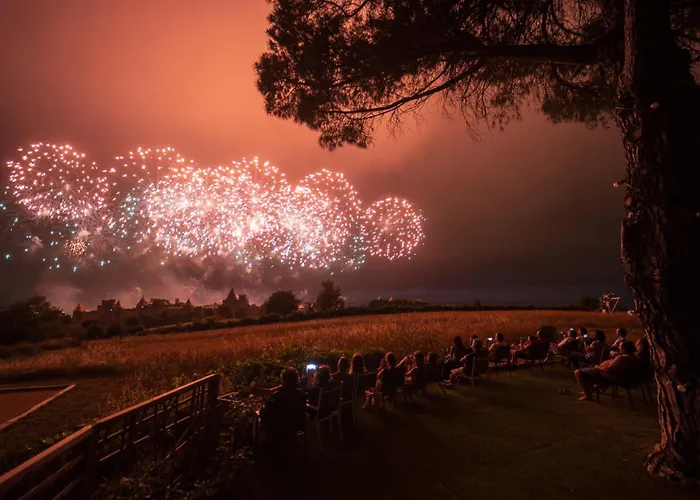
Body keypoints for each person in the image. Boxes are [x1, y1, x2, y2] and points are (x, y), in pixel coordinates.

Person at [574, 341, 641, 401]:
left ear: (624, 349)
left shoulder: (622, 358)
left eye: (620, 346)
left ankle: (588, 396)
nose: (619, 348)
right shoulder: (635, 358)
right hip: (624, 378)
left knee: (577, 372)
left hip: (610, 377)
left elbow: (607, 369)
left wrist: (598, 367)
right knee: (589, 369)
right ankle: (590, 390)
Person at [258, 367, 307, 446]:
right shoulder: (301, 394)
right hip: (295, 426)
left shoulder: (276, 397)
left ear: (283, 380)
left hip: (279, 429)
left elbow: (263, 414)